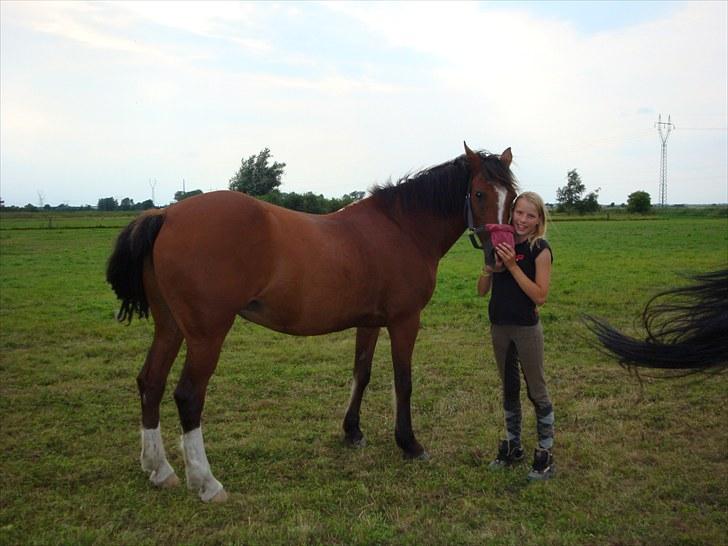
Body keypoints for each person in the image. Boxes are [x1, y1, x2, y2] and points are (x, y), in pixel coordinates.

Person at [477, 191, 555, 480]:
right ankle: (513, 447)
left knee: (537, 390)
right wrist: (489, 268)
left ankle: (545, 454)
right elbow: (481, 291)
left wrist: (511, 266)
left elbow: (540, 295)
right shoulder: (502, 243)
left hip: (526, 329)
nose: (522, 220)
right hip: (499, 327)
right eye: (519, 213)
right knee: (509, 389)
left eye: (530, 215)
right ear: (511, 213)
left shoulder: (540, 249)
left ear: (538, 221)